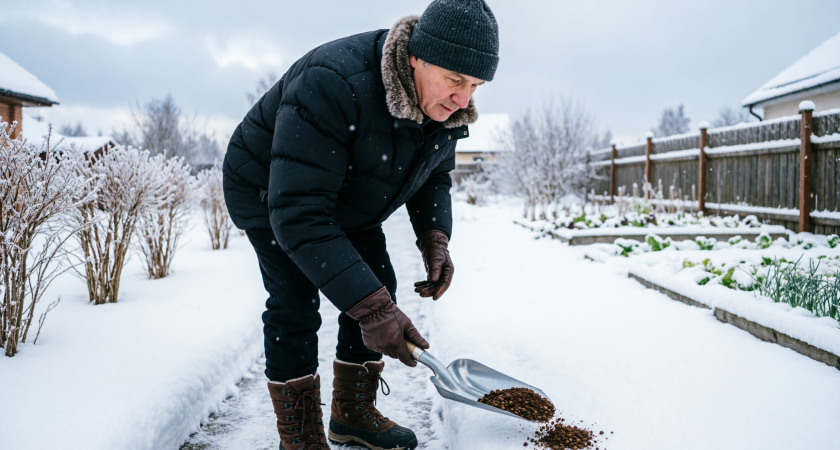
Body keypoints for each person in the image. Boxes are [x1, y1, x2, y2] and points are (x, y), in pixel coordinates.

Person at [222, 1, 499, 448]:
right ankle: (301, 439)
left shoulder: (446, 110)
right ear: (416, 57)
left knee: (377, 285)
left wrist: (435, 238)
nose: (463, 99)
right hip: (269, 189)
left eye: (475, 85)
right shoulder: (333, 83)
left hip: (345, 193)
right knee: (294, 304)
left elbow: (436, 173)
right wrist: (372, 311)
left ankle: (351, 413)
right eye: (454, 80)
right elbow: (298, 212)